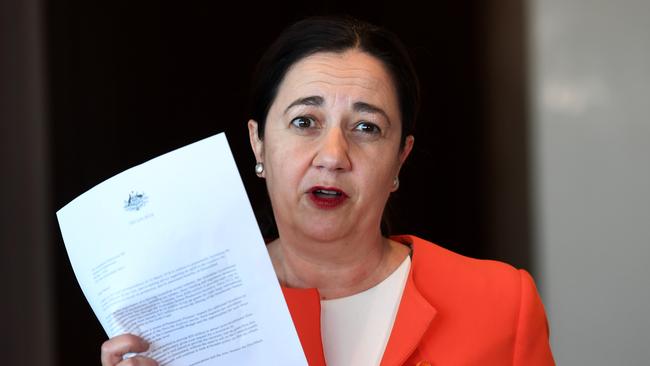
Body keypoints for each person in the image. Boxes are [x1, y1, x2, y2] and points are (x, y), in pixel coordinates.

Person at [101, 16, 555, 366]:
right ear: (258, 141)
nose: (333, 155)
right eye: (304, 122)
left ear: (400, 157)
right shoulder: (186, 317)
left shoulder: (499, 302)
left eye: (366, 127)